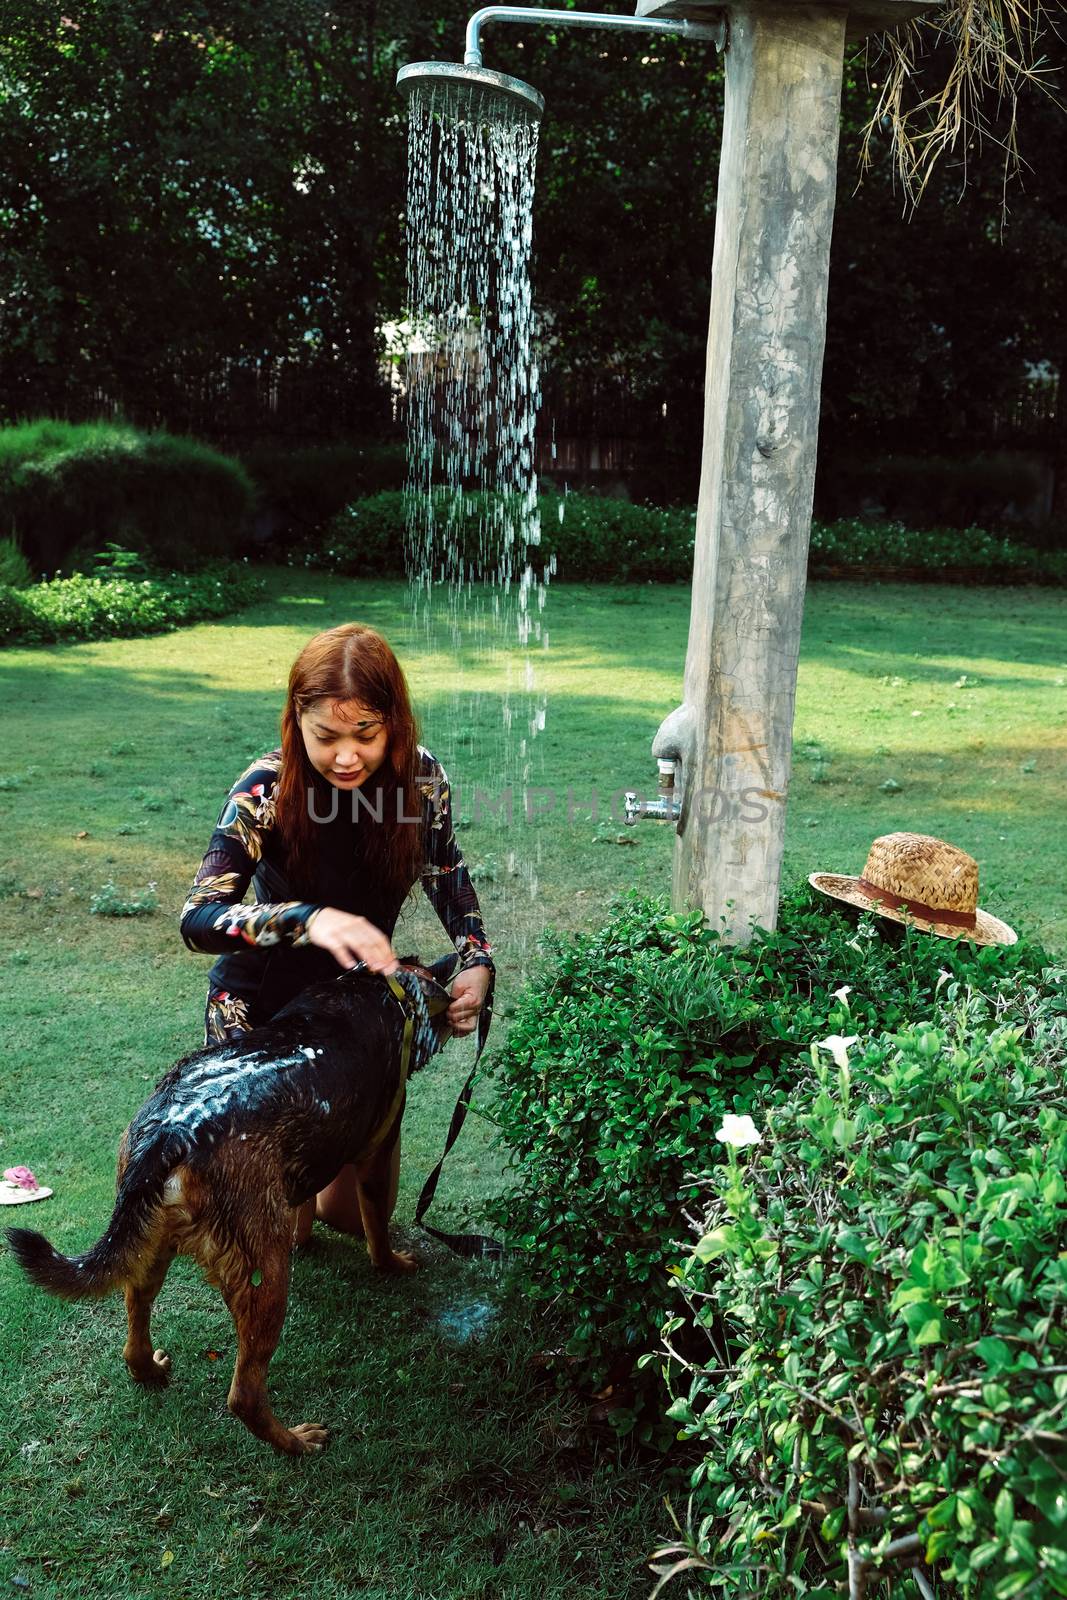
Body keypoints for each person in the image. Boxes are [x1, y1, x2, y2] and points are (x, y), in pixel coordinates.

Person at [179, 621, 494, 1245]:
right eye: (326, 736)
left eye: (366, 735)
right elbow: (198, 920)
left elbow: (446, 872)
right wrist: (308, 919)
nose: (346, 755)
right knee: (285, 1230)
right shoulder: (264, 788)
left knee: (351, 1220)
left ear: (394, 725)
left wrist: (477, 958)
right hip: (260, 1008)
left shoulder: (420, 781)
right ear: (296, 721)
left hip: (358, 1008)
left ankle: (333, 1169)